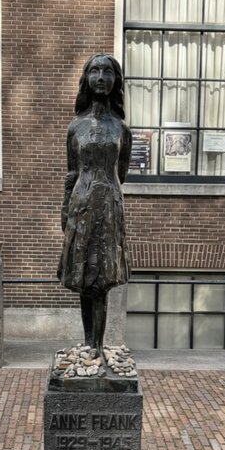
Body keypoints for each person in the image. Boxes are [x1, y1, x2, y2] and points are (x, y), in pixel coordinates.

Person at [57, 53, 131, 356]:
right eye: (95, 71)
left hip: (109, 207)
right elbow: (71, 173)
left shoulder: (121, 130)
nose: (101, 77)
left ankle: (97, 348)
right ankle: (88, 343)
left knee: (102, 279)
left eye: (108, 72)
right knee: (85, 277)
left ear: (116, 81)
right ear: (87, 79)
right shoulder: (76, 128)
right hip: (81, 203)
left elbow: (121, 174)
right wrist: (65, 210)